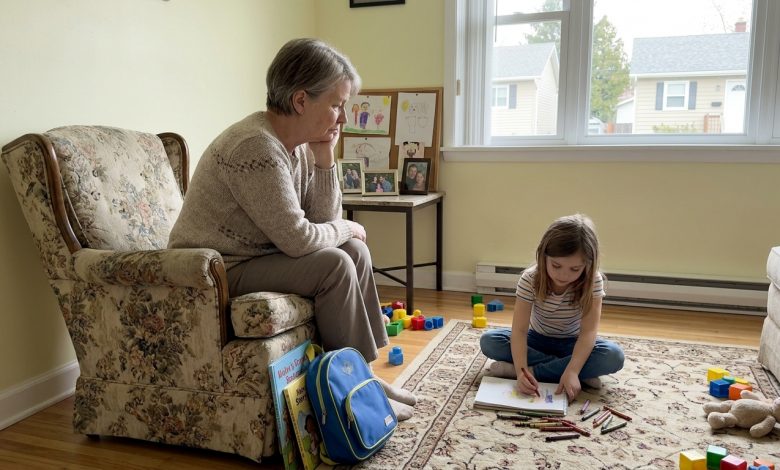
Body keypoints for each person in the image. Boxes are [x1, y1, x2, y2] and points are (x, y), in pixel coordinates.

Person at [168, 38, 415, 419]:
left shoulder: (296, 144)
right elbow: (301, 239)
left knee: (355, 252)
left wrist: (324, 157)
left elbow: (320, 222)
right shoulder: (256, 147)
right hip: (218, 269)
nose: (343, 118)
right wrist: (346, 226)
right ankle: (351, 389)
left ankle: (361, 375)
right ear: (301, 101)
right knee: (334, 263)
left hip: (262, 254)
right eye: (336, 104)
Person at [479, 214, 624, 400]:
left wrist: (569, 370)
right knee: (490, 341)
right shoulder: (530, 279)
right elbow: (520, 330)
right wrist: (522, 369)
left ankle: (533, 371)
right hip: (537, 340)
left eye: (575, 269)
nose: (564, 275)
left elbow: (588, 333)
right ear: (544, 256)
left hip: (573, 344)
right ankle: (580, 373)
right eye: (556, 266)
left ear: (587, 264)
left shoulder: (593, 281)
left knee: (613, 356)